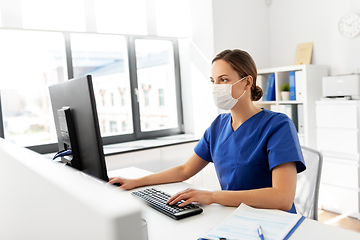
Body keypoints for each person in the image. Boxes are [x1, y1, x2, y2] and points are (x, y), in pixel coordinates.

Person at [109, 49, 306, 213]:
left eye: (223, 79)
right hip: (234, 214)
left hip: (275, 221)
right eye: (213, 80)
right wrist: (136, 182)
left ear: (247, 82)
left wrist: (212, 196)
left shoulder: (278, 125)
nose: (216, 87)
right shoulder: (218, 126)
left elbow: (282, 198)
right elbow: (184, 170)